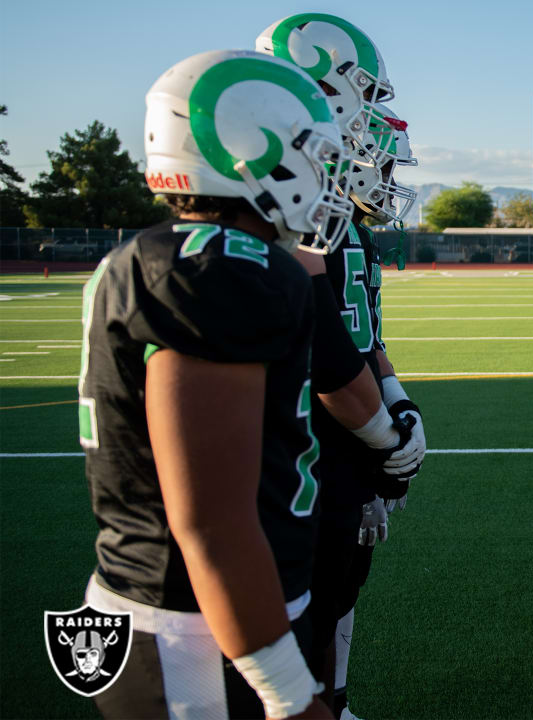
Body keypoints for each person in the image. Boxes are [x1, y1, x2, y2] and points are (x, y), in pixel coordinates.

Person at [80, 49, 362, 719]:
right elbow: (210, 520)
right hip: (194, 630)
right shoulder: (218, 270)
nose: (326, 171)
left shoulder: (186, 256)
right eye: (310, 149)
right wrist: (290, 696)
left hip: (212, 613)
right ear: (247, 148)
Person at [258, 17, 425, 720]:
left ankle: (336, 698)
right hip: (312, 439)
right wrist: (381, 434)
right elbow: (324, 355)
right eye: (368, 99)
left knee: (341, 589)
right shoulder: (289, 208)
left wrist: (394, 396)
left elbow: (361, 333)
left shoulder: (339, 213)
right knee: (306, 598)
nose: (377, 142)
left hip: (350, 426)